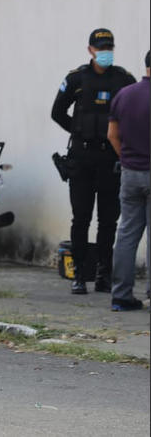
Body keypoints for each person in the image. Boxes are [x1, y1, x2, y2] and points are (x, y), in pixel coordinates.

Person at [51, 29, 136, 294]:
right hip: (82, 157)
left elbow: (133, 114)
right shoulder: (76, 78)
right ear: (90, 50)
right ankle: (79, 274)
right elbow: (57, 112)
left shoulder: (123, 79)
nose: (105, 51)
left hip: (109, 157)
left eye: (109, 46)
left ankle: (104, 274)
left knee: (109, 220)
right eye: (100, 47)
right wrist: (79, 131)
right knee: (81, 218)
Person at [106, 50, 150, 311]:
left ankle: (121, 295)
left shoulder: (125, 94)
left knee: (126, 235)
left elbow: (112, 134)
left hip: (130, 172)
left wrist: (127, 159)